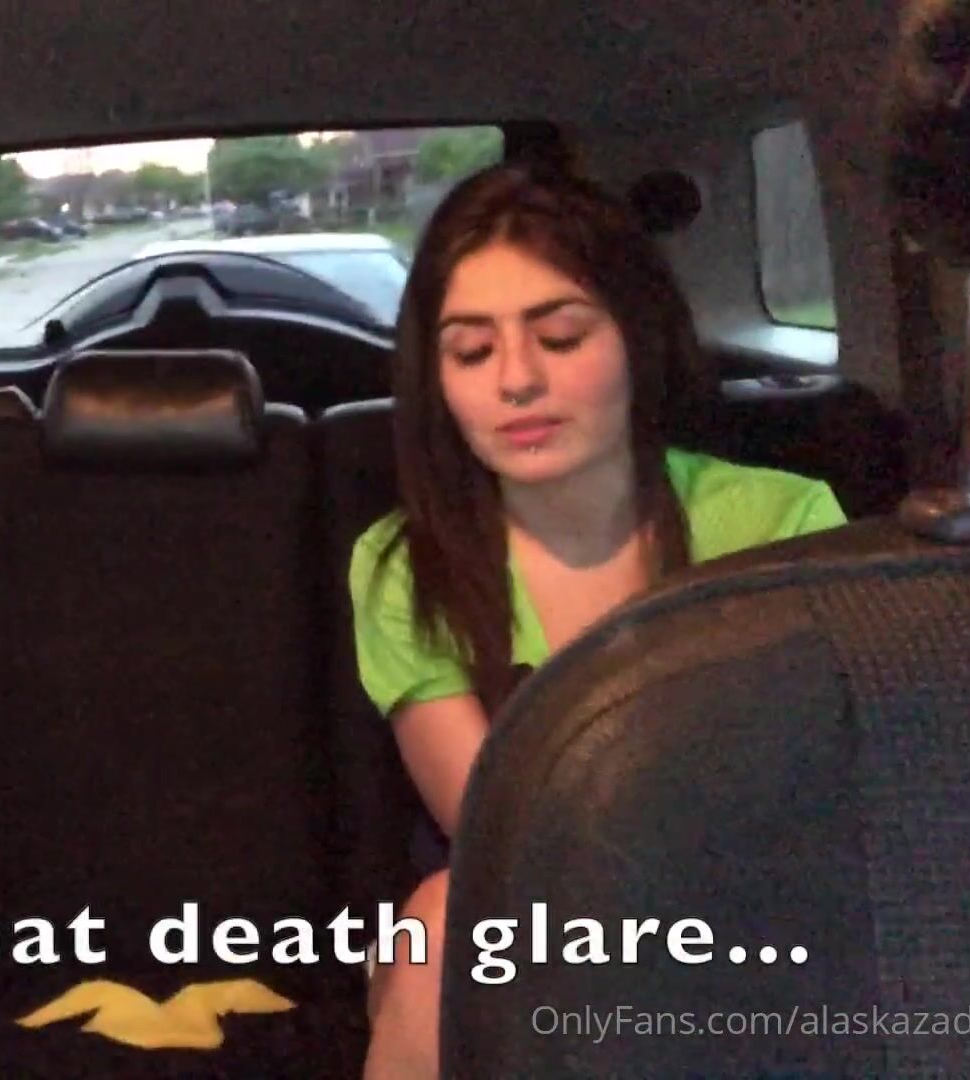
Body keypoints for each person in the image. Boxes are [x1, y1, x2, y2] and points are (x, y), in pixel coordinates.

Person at [349, 161, 846, 1078]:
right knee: (445, 922)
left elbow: (808, 802)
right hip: (536, 903)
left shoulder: (784, 521)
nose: (517, 380)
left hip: (751, 902)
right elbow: (498, 827)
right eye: (471, 352)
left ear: (636, 335)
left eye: (561, 336)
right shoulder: (405, 565)